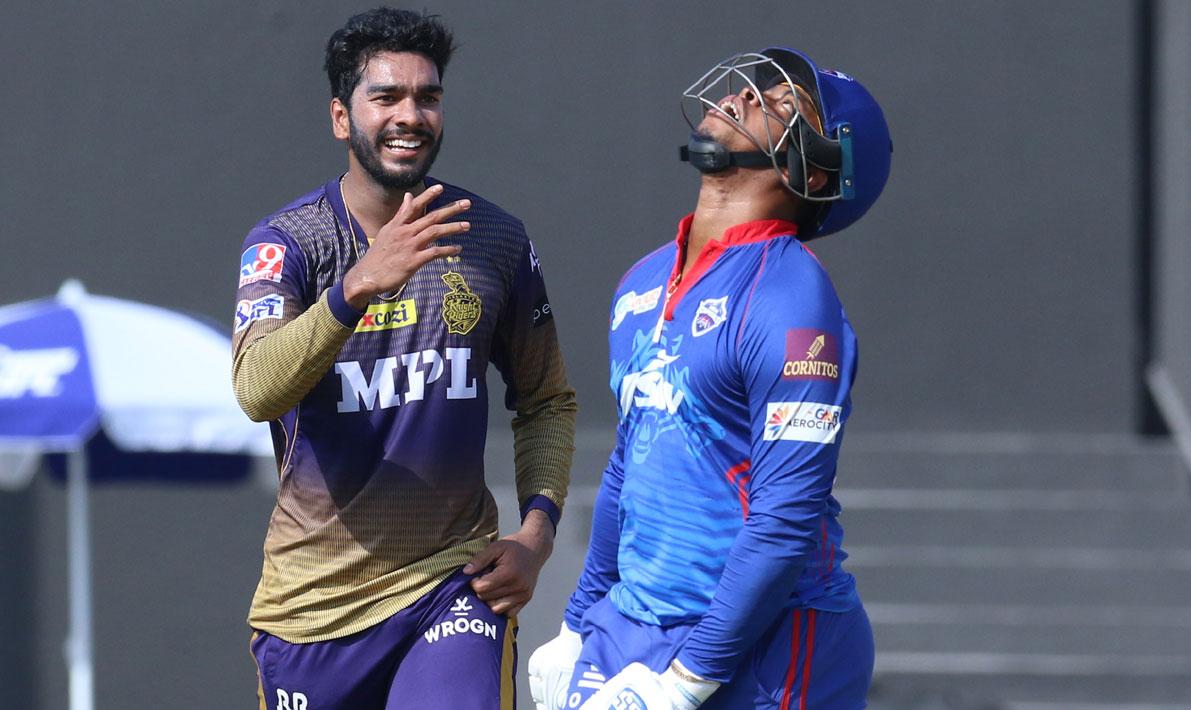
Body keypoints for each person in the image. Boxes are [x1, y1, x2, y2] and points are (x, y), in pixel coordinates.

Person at [230, 8, 576, 709]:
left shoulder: (494, 240)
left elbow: (546, 401)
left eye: (427, 96)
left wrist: (536, 535)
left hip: (450, 586)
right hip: (312, 610)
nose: (409, 115)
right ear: (341, 117)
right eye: (386, 97)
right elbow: (257, 389)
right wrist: (356, 287)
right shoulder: (287, 244)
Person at [527, 47, 890, 709]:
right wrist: (577, 625)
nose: (745, 94)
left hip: (767, 647)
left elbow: (783, 521)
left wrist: (688, 680)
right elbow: (628, 466)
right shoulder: (643, 280)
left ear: (816, 164)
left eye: (782, 103)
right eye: (756, 85)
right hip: (631, 629)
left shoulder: (792, 300)